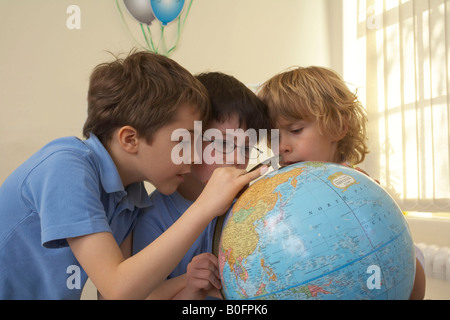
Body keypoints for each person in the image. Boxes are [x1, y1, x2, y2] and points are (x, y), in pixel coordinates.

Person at [0, 51, 265, 300]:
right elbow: (117, 288)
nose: (196, 156)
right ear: (130, 139)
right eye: (185, 141)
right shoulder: (66, 167)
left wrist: (192, 281)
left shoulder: (130, 195)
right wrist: (205, 206)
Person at [257, 66, 426, 300]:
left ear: (338, 127)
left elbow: (405, 271)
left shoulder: (363, 191)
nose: (280, 146)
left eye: (295, 130)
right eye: (272, 136)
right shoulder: (276, 195)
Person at [133, 72, 271, 299]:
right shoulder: (152, 217)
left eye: (247, 148)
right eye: (224, 143)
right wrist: (191, 287)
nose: (237, 158)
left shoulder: (252, 205)